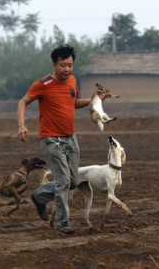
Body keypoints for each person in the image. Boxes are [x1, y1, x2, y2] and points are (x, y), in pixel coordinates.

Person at [17, 45, 98, 234]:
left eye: (70, 65)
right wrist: (22, 125)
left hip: (71, 138)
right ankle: (62, 223)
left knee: (72, 180)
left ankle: (40, 196)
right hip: (51, 139)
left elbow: (74, 103)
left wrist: (94, 99)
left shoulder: (72, 81)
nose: (67, 69)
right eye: (63, 65)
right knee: (63, 181)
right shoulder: (42, 84)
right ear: (54, 65)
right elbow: (23, 102)